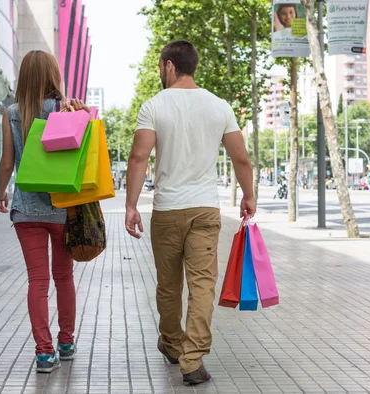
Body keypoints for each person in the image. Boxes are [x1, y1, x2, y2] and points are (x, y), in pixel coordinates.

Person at [124, 40, 256, 385]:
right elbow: (240, 158)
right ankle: (192, 359)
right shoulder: (219, 106)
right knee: (202, 285)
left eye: (159, 66)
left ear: (168, 65)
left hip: (167, 209)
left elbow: (139, 158)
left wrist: (131, 205)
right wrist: (249, 196)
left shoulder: (153, 105)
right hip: (204, 209)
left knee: (168, 285)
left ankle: (171, 342)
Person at [0, 50, 90, 373]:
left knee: (37, 281)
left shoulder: (11, 113)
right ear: (53, 75)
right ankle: (66, 342)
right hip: (62, 207)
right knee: (64, 278)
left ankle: (44, 352)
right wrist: (83, 113)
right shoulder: (65, 109)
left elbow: (8, 162)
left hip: (26, 209)